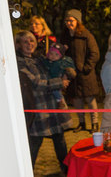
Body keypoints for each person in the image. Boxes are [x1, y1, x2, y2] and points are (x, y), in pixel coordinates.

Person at [15, 30, 71, 169]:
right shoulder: (19, 63)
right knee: (34, 144)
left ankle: (68, 175)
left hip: (52, 104)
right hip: (38, 107)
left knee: (60, 141)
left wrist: (66, 71)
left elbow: (56, 67)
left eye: (32, 41)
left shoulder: (39, 59)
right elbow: (36, 83)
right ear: (18, 45)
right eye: (25, 42)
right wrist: (59, 82)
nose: (29, 44)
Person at [59, 9, 101, 132]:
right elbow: (60, 53)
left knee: (90, 99)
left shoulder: (86, 35)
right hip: (72, 73)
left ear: (77, 21)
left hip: (85, 74)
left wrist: (86, 68)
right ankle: (81, 123)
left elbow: (95, 53)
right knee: (77, 100)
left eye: (71, 20)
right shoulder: (65, 36)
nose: (68, 23)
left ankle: (95, 123)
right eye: (67, 20)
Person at [40, 42, 76, 109]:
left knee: (56, 91)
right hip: (50, 81)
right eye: (51, 54)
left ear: (60, 56)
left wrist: (66, 75)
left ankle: (60, 101)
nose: (53, 56)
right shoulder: (47, 62)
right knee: (55, 91)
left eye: (56, 54)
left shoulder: (61, 63)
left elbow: (69, 69)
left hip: (57, 81)